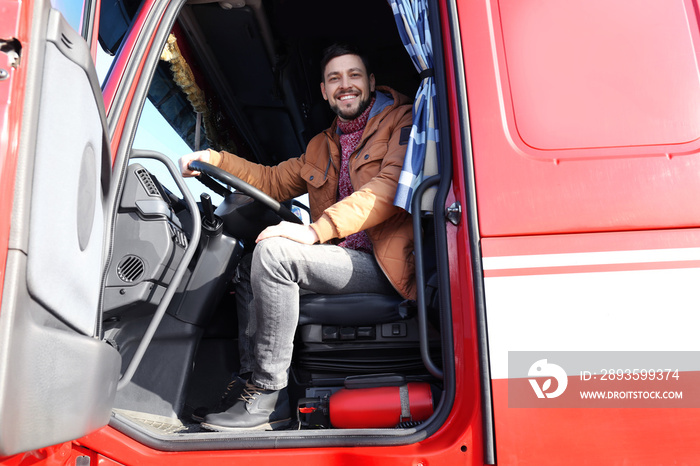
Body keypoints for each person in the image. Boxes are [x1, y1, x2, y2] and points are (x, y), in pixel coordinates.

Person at [178, 43, 416, 431]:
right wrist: (215, 159)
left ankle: (270, 395)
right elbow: (271, 179)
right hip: (341, 259)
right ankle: (250, 385)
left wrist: (313, 230)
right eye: (334, 78)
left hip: (381, 264)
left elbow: (388, 189)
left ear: (371, 82)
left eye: (354, 75)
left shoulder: (400, 121)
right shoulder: (321, 145)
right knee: (247, 265)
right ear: (324, 91)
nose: (346, 85)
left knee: (275, 255)